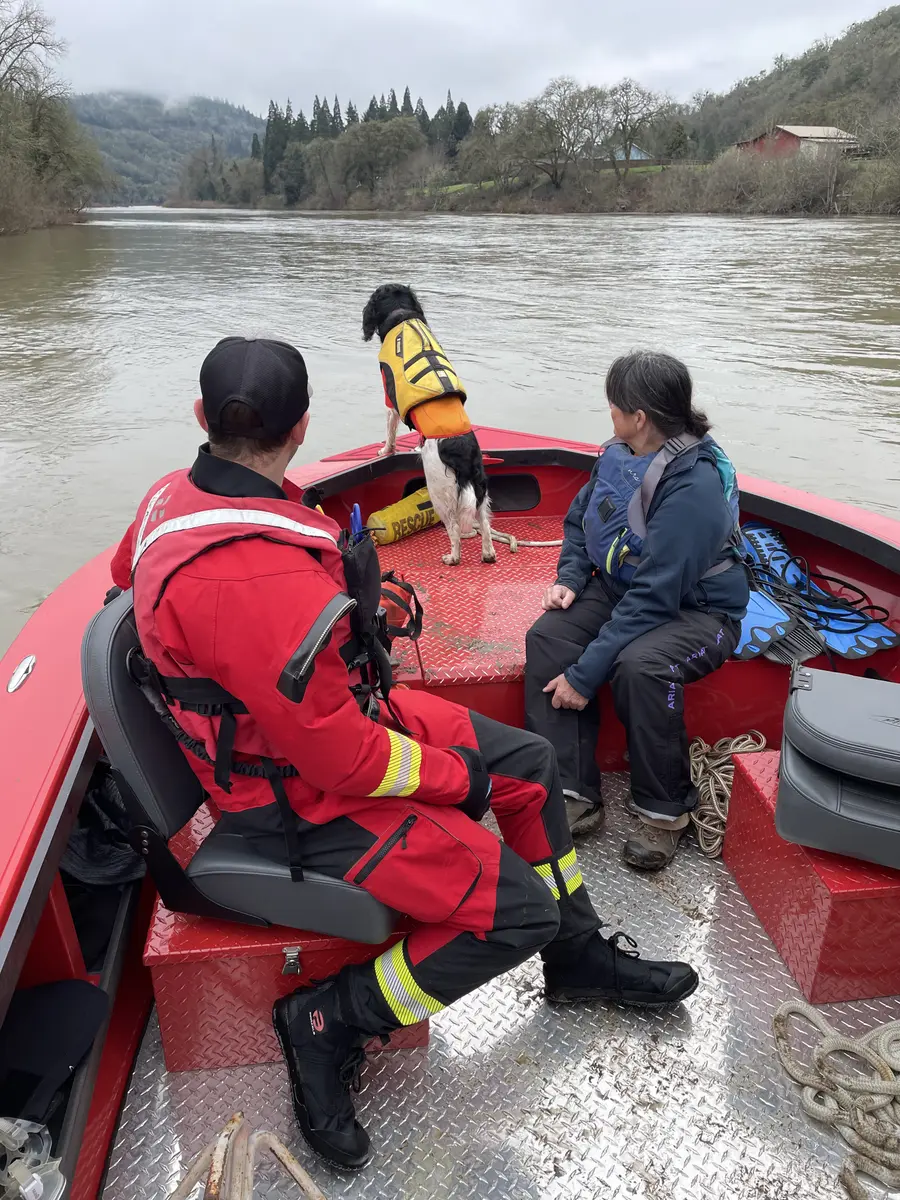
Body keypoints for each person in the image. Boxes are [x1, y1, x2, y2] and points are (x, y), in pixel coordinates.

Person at [109, 337, 699, 1172]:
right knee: (515, 909)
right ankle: (330, 1017)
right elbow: (343, 763)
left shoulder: (170, 500)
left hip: (312, 729)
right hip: (293, 794)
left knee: (531, 764)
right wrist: (459, 781)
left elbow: (126, 575)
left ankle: (574, 955)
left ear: (203, 418)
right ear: (303, 426)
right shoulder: (258, 579)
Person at [525, 351, 750, 872]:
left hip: (700, 612)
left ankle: (665, 811)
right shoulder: (618, 453)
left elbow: (655, 596)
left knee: (641, 667)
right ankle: (574, 792)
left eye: (614, 405)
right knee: (548, 638)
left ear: (640, 416)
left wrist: (583, 676)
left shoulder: (693, 486)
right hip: (623, 587)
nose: (609, 412)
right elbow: (580, 521)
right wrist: (570, 578)